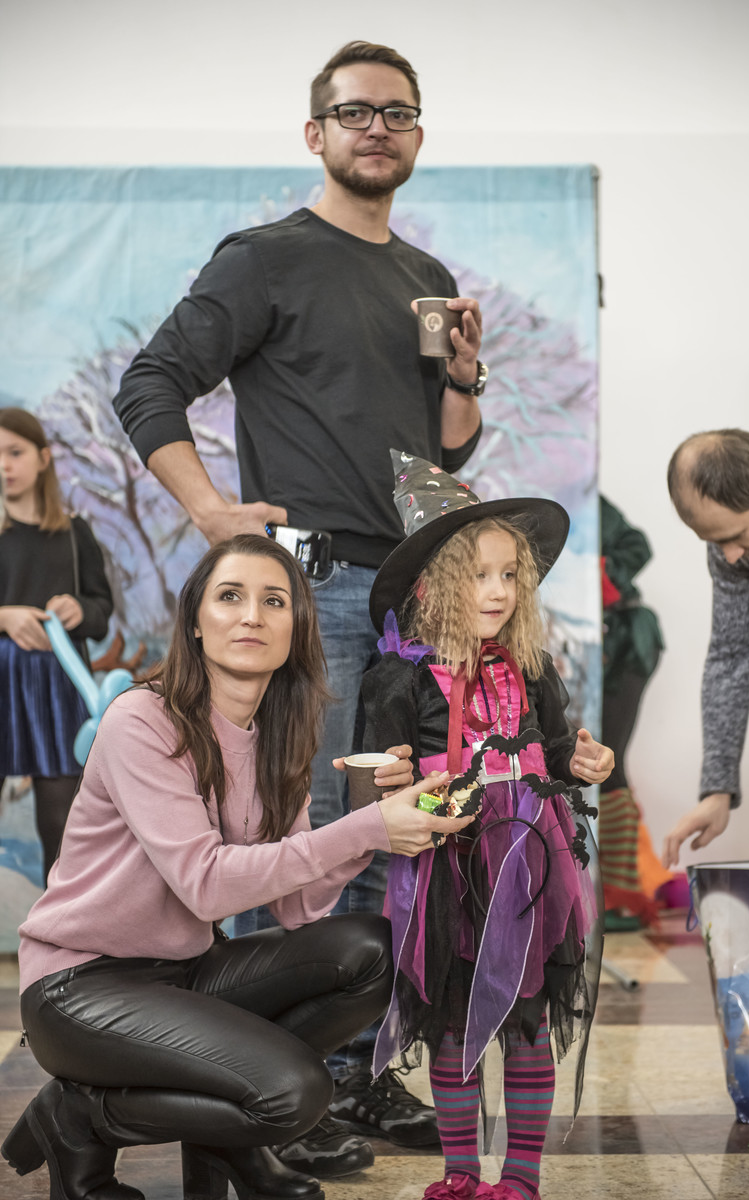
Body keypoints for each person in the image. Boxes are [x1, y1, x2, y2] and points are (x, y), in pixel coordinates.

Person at [111, 39, 485, 1165]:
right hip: (313, 591)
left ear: (418, 135)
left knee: (382, 842)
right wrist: (213, 512)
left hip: (412, 597)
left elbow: (442, 452)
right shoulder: (264, 259)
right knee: (294, 839)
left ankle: (349, 1074)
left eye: (397, 113)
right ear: (315, 133)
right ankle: (265, 1099)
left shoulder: (423, 275)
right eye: (355, 112)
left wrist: (462, 380)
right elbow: (150, 384)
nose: (378, 128)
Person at [1, 533, 475, 1200]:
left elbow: (298, 908)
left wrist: (374, 819)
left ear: (296, 628)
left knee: (372, 950)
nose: (252, 615)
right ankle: (78, 1117)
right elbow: (206, 885)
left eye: (274, 601)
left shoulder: (279, 737)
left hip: (184, 973)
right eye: (230, 596)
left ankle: (228, 1130)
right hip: (80, 988)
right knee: (295, 1093)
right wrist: (364, 828)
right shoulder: (142, 720)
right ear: (196, 622)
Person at [360, 453, 612, 1200]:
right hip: (447, 866)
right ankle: (461, 1170)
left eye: (509, 575)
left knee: (527, 1016)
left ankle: (522, 1177)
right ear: (432, 585)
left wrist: (583, 762)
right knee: (451, 1017)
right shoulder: (400, 676)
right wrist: (393, 778)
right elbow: (384, 771)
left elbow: (557, 752)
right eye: (478, 575)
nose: (498, 591)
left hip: (530, 864)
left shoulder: (532, 669)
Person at [662, 427, 749, 867]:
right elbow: (732, 657)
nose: (731, 556)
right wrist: (717, 789)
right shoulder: (732, 547)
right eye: (716, 542)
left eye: (737, 535)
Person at [0, 407, 112, 885]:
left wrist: (79, 610)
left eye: (15, 452)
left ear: (43, 458)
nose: (4, 464)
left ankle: (59, 931)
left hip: (58, 692)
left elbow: (102, 612)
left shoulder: (73, 532)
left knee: (63, 829)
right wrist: (4, 617)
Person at [598, 495, 667, 928]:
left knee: (607, 757)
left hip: (625, 642)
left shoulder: (582, 498)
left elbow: (637, 545)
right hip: (581, 646)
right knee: (584, 758)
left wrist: (601, 575)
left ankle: (619, 895)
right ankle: (602, 891)